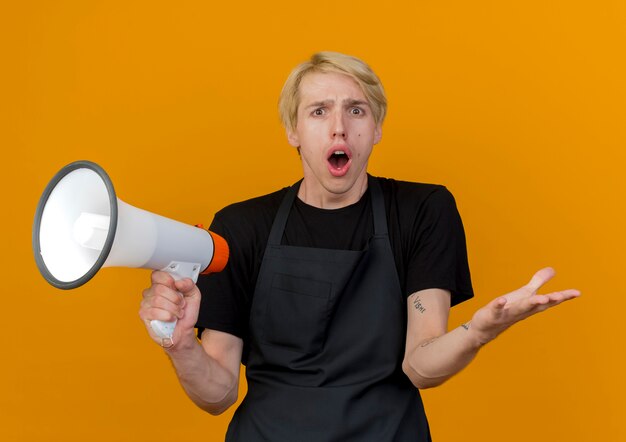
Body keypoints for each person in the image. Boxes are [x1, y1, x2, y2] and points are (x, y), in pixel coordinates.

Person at [139, 52, 580, 441]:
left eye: (356, 110)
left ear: (377, 127)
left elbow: (421, 366)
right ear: (293, 130)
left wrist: (478, 333)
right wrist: (181, 347)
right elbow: (218, 394)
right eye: (318, 111)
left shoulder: (422, 210)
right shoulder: (241, 226)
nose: (339, 127)